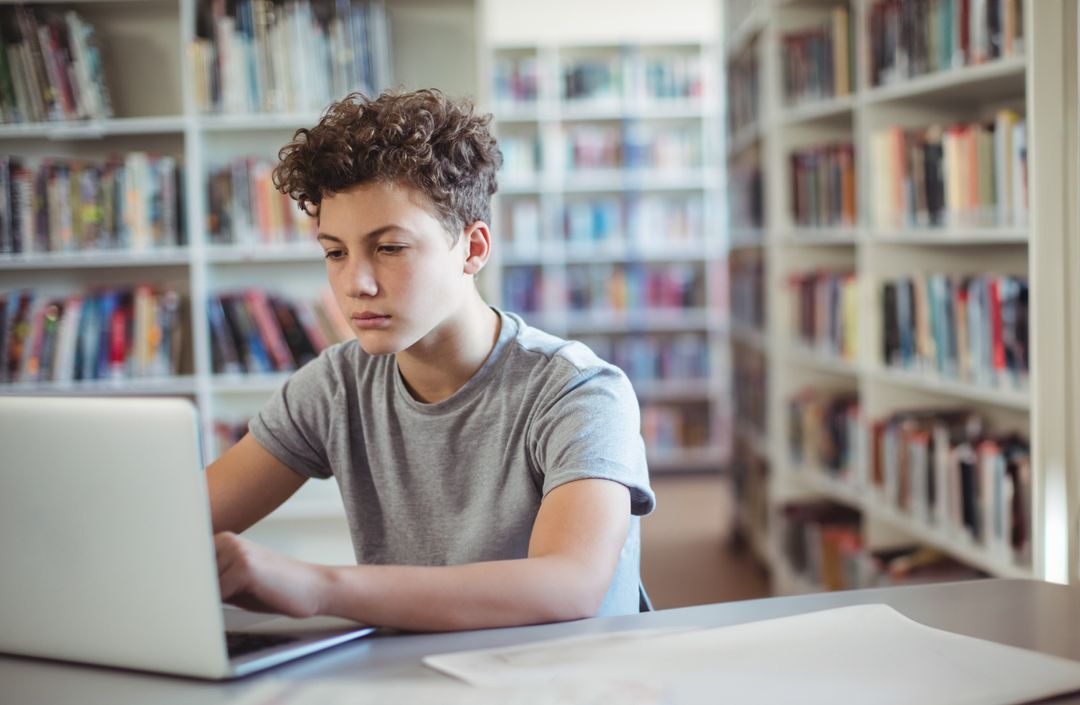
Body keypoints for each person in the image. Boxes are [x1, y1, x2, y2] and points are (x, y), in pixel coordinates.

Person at [206, 88, 655, 632]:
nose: (355, 284)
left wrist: (318, 587)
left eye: (390, 248)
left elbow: (570, 583)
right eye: (335, 252)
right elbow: (179, 527)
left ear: (473, 248)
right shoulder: (336, 385)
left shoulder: (578, 391)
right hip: (415, 677)